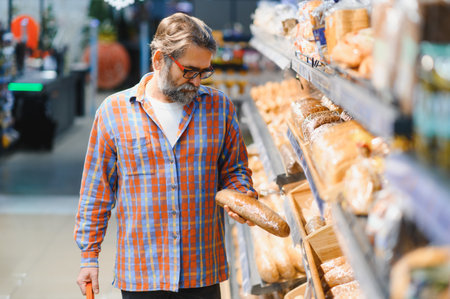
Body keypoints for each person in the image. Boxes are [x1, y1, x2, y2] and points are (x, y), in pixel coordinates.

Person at [74, 12, 256, 299]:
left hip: (201, 270)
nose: (197, 82)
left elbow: (235, 170)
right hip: (141, 272)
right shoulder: (114, 112)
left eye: (204, 72)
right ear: (160, 60)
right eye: (190, 71)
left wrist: (241, 193)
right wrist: (89, 256)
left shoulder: (219, 107)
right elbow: (97, 190)